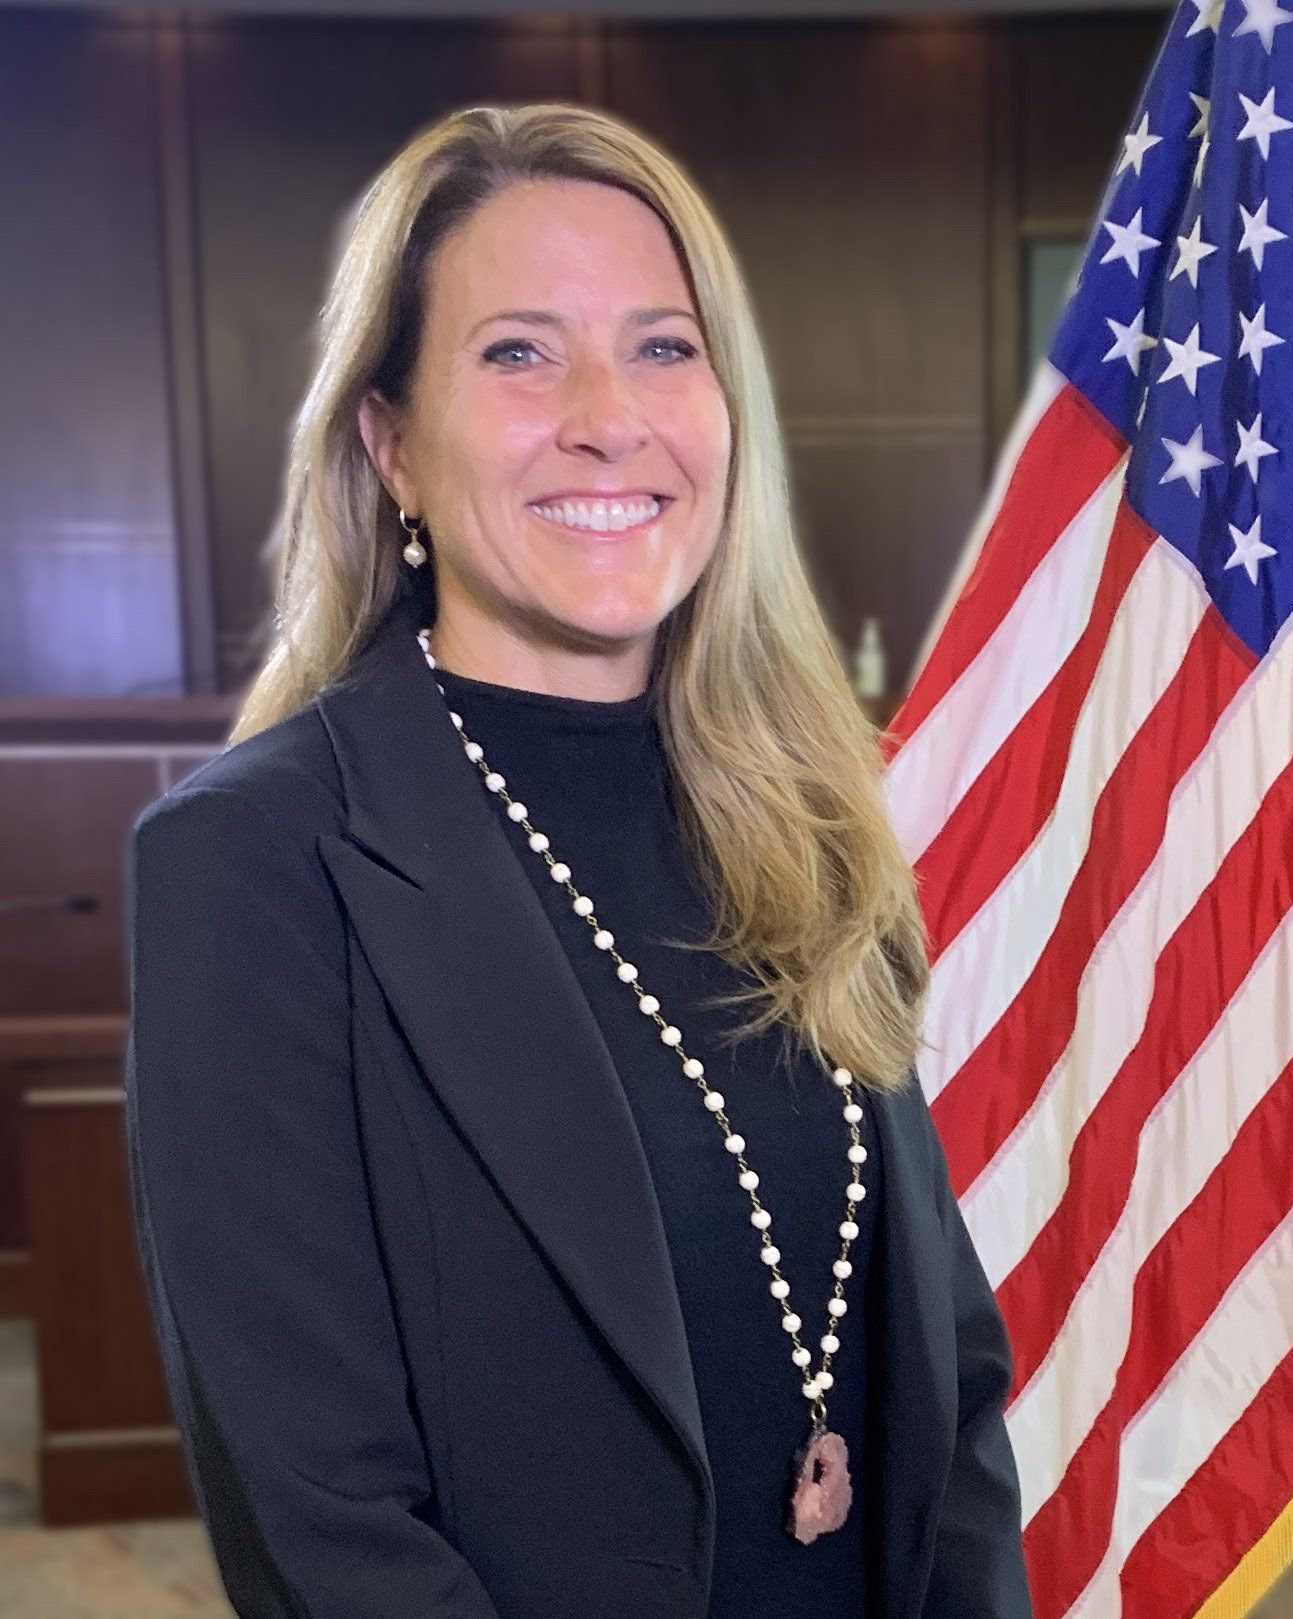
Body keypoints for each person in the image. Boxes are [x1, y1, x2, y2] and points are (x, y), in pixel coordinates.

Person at [123, 101, 1030, 1619]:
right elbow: (322, 1516)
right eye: (519, 354)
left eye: (665, 347)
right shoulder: (256, 861)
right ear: (393, 446)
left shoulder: (812, 816)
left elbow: (948, 1379)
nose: (609, 416)